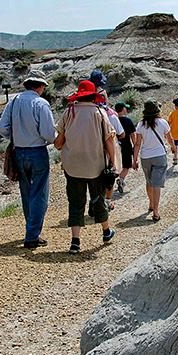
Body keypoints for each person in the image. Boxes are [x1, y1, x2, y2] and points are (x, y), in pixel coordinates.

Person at [54, 80, 117, 254]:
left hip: (72, 166)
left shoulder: (69, 112)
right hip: (95, 166)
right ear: (92, 96)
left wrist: (59, 146)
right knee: (98, 199)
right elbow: (109, 140)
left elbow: (59, 141)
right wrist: (114, 163)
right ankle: (106, 232)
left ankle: (75, 242)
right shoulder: (100, 112)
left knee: (75, 202)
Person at [0, 73, 56, 249]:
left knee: (26, 192)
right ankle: (32, 236)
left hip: (18, 152)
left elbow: (2, 127)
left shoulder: (14, 101)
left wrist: (14, 136)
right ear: (40, 86)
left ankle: (31, 230)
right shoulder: (40, 103)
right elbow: (48, 134)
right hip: (37, 152)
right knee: (39, 194)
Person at [132, 101, 175, 222]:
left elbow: (137, 144)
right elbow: (169, 138)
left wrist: (134, 160)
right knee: (157, 184)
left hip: (145, 157)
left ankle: (151, 204)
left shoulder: (140, 125)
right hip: (159, 155)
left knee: (149, 182)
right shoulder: (162, 122)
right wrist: (173, 147)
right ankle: (156, 212)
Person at [90, 70, 124, 210]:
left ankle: (94, 201)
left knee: (94, 178)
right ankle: (107, 201)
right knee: (110, 175)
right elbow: (120, 134)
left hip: (92, 149)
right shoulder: (110, 115)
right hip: (108, 150)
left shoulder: (88, 111)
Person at [114, 102, 136, 194]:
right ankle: (121, 179)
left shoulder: (113, 120)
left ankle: (118, 178)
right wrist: (135, 145)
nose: (126, 110)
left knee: (118, 164)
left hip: (115, 146)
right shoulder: (128, 121)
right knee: (126, 166)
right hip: (126, 146)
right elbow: (133, 135)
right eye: (125, 108)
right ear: (123, 109)